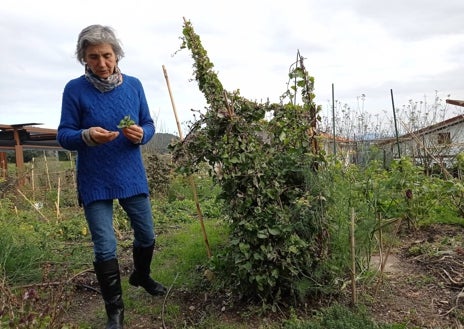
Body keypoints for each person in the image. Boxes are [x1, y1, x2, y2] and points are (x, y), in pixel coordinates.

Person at [57, 24, 166, 329]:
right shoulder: (74, 89)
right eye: (93, 57)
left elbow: (148, 123)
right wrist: (87, 135)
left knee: (146, 234)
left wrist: (143, 133)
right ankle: (115, 311)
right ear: (84, 59)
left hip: (130, 173)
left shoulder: (134, 86)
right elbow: (64, 135)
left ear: (117, 55)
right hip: (94, 178)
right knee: (104, 246)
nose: (102, 63)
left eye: (107, 55)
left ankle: (141, 275)